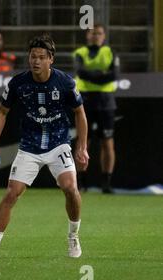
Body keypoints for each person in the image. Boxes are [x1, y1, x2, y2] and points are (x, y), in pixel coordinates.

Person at [0, 34, 89, 259]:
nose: (35, 61)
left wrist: (82, 146)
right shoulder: (18, 83)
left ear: (51, 59)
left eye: (41, 57)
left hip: (59, 144)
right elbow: (1, 112)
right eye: (32, 57)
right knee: (12, 193)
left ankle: (73, 236)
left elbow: (80, 113)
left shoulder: (65, 82)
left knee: (70, 188)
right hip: (29, 146)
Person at [73, 24, 119, 193]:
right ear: (87, 35)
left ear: (104, 36)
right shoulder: (80, 53)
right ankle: (80, 182)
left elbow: (114, 75)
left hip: (106, 102)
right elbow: (81, 72)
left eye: (99, 33)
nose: (96, 36)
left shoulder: (110, 52)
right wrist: (102, 75)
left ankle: (106, 183)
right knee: (83, 142)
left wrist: (94, 77)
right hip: (84, 101)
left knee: (108, 142)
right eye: (93, 33)